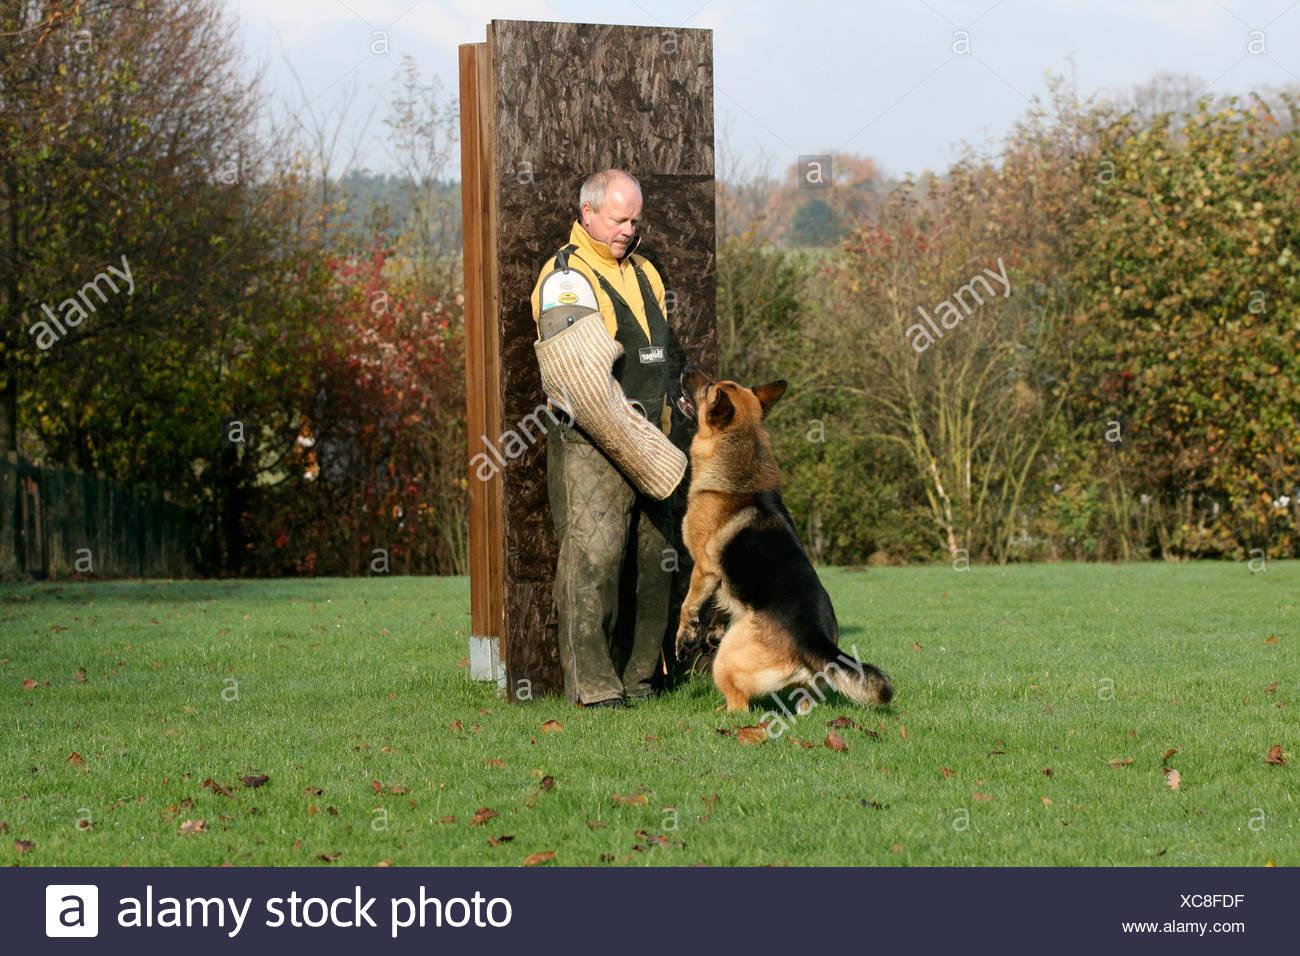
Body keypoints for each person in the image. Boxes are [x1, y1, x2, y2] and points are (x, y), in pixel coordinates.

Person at [530, 169, 684, 708]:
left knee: (654, 566)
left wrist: (667, 430)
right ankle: (594, 690)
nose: (628, 229)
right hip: (590, 444)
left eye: (634, 219)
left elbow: (662, 359)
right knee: (592, 563)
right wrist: (643, 446)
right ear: (588, 213)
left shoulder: (647, 272)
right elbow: (580, 380)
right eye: (618, 218)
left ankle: (640, 683)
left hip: (653, 443)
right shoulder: (564, 278)